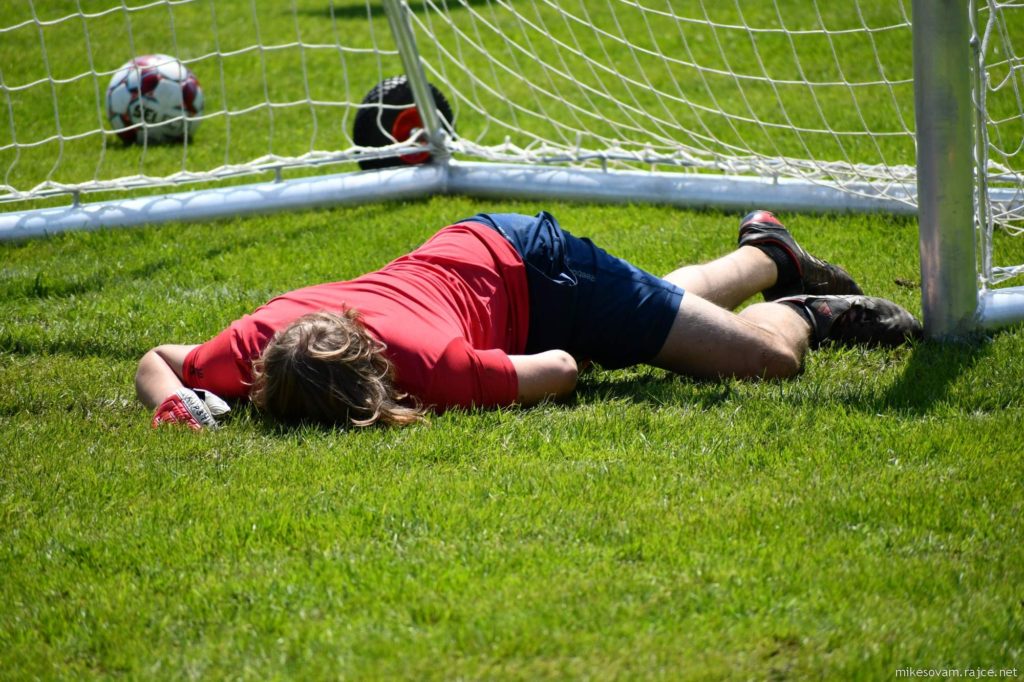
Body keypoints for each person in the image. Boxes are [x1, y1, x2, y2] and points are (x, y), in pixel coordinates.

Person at [135, 209, 922, 430]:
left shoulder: (434, 367)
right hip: (471, 259)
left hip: (542, 272)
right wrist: (176, 407)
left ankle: (803, 309)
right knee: (659, 310)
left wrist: (490, 379)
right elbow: (158, 360)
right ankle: (769, 251)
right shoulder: (252, 347)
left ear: (382, 383)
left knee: (764, 362)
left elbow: (563, 368)